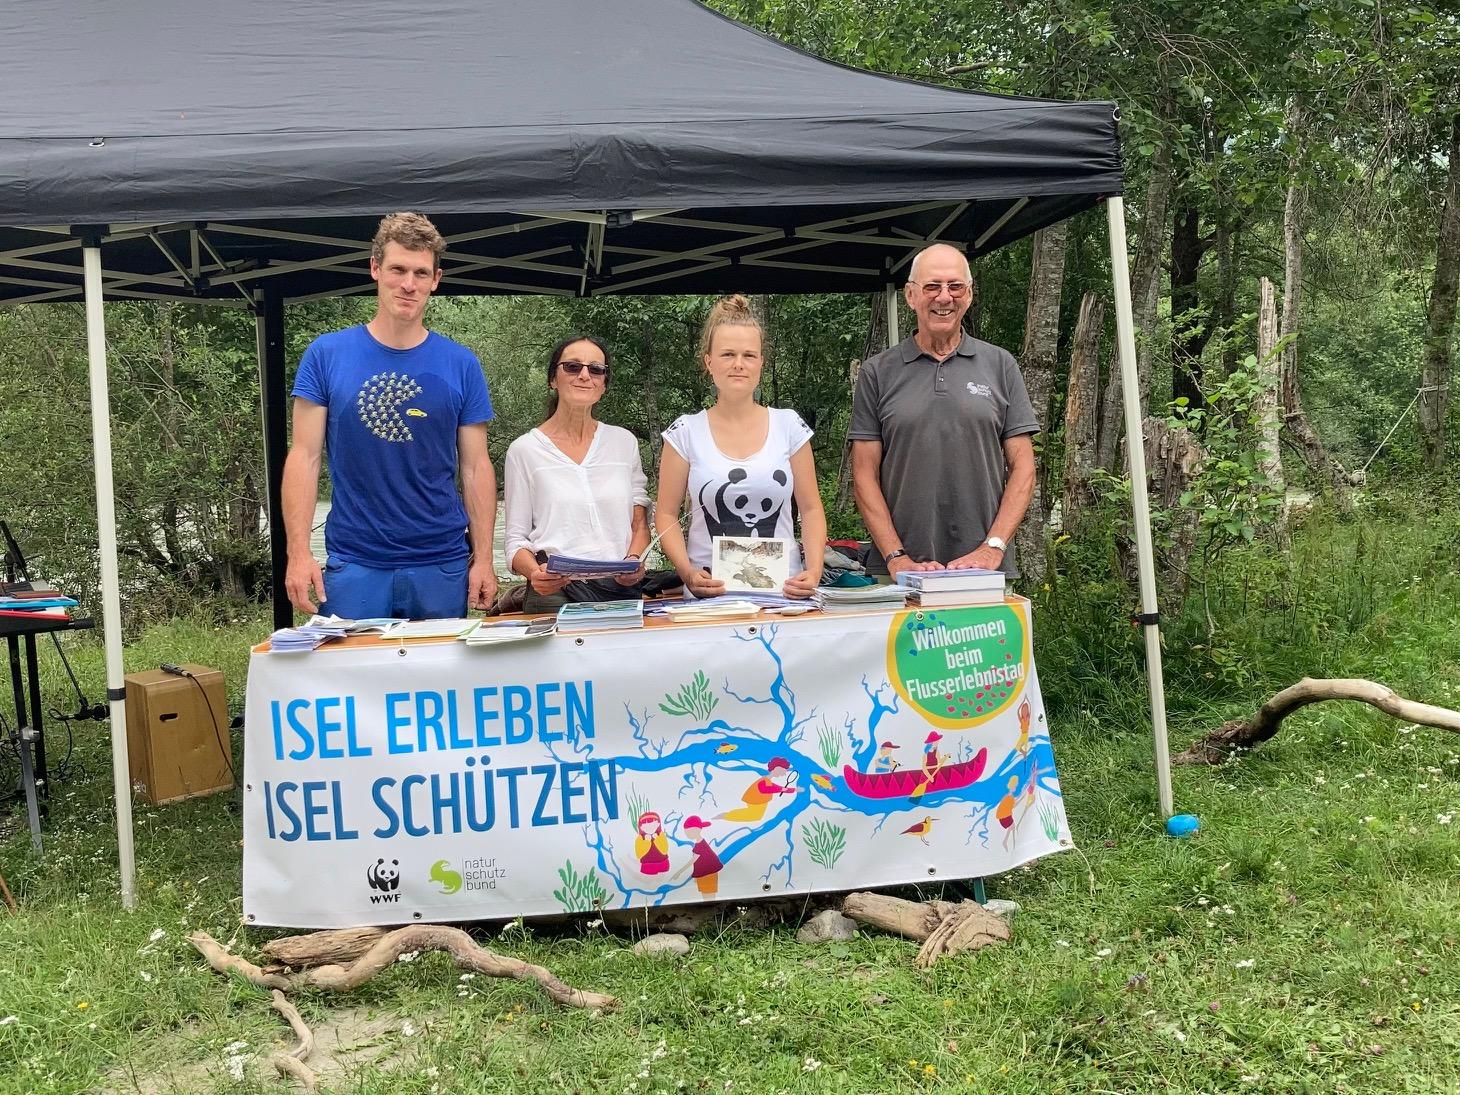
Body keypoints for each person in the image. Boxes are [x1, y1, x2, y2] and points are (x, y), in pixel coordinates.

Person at [283, 212, 497, 619]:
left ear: (436, 279)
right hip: (355, 561)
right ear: (375, 269)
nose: (408, 284)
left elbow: (475, 467)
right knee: (353, 680)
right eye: (398, 269)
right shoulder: (326, 355)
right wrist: (298, 553)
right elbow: (304, 457)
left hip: (442, 561)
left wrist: (483, 558)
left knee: (440, 680)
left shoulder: (461, 364)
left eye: (421, 273)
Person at [849, 243, 1038, 579]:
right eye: (932, 286)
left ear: (969, 294)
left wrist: (993, 546)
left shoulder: (1001, 365)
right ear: (910, 295)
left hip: (985, 572)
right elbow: (863, 474)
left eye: (955, 286)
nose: (944, 297)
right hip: (898, 574)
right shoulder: (878, 372)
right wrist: (896, 557)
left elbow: (1023, 467)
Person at [655, 295, 826, 599]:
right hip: (709, 599)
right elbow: (666, 514)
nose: (738, 364)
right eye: (727, 354)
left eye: (749, 355)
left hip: (784, 597)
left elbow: (811, 509)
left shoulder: (790, 426)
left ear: (762, 362)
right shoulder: (684, 431)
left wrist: (813, 571)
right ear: (708, 362)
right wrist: (687, 572)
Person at [502, 335, 678, 613]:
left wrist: (634, 560)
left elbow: (639, 524)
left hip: (620, 589)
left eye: (596, 369)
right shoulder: (524, 450)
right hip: (553, 592)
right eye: (572, 367)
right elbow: (515, 540)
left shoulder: (624, 442)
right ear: (552, 379)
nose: (584, 375)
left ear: (604, 385)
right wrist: (535, 573)